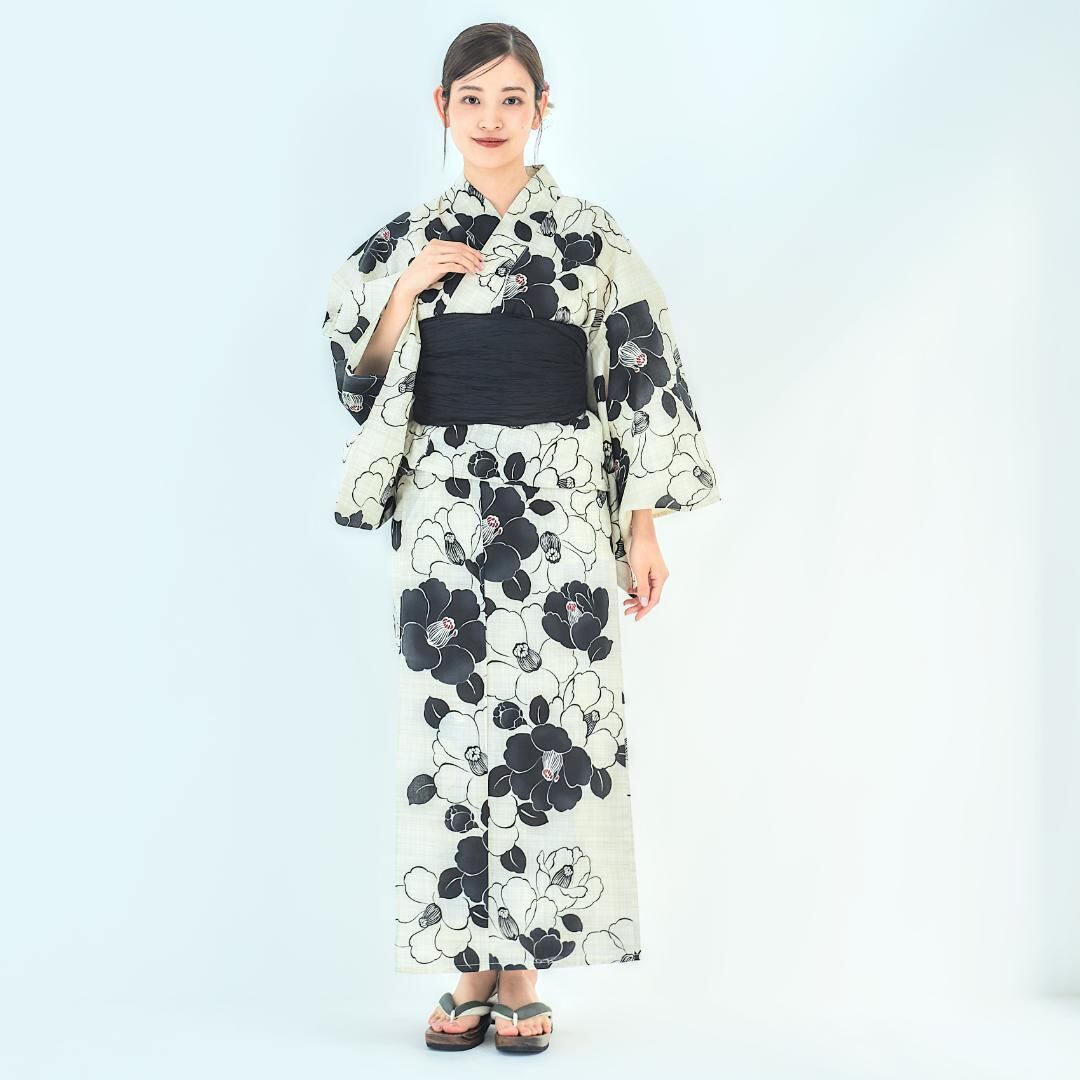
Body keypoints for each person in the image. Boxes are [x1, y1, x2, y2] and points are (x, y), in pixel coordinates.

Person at [319, 22, 722, 1054]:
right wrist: (405, 293)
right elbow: (358, 373)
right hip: (448, 504)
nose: (492, 119)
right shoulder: (408, 238)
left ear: (544, 109)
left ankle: (526, 967)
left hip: (564, 504)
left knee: (553, 721)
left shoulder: (590, 235)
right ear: (442, 109)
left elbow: (641, 375)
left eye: (512, 98)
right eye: (472, 99)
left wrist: (641, 528)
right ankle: (467, 965)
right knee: (454, 721)